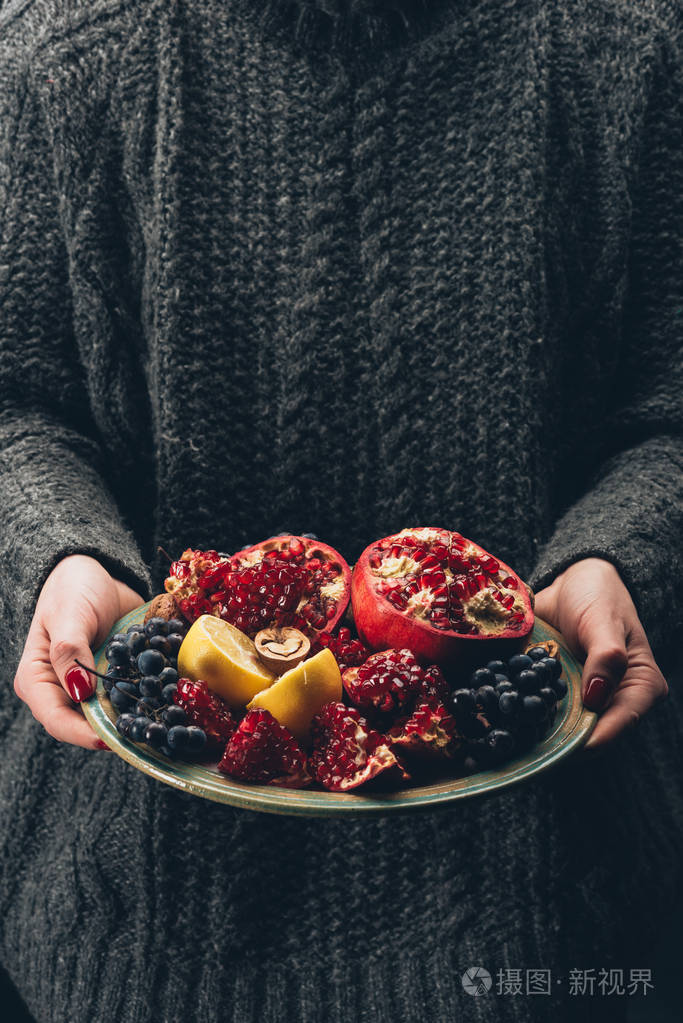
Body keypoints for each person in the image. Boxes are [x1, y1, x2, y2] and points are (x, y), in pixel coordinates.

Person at [1, 0, 681, 1020]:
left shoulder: (626, 50)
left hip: (552, 916)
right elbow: (18, 399)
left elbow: (664, 407)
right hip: (137, 926)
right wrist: (57, 551)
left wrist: (622, 550)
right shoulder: (63, 48)